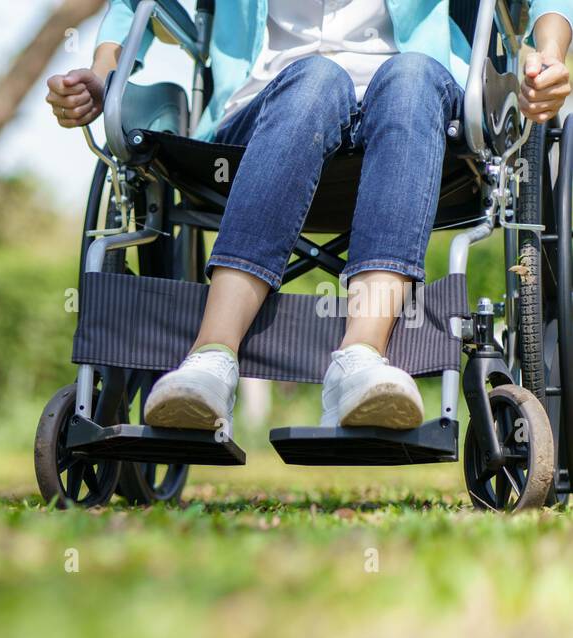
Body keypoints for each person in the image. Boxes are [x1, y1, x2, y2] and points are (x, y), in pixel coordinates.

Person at [47, 1, 573, 430]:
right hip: (265, 116)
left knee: (410, 74)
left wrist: (548, 55)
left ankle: (360, 361)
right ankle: (210, 361)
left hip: (419, 115)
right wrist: (102, 76)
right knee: (317, 78)